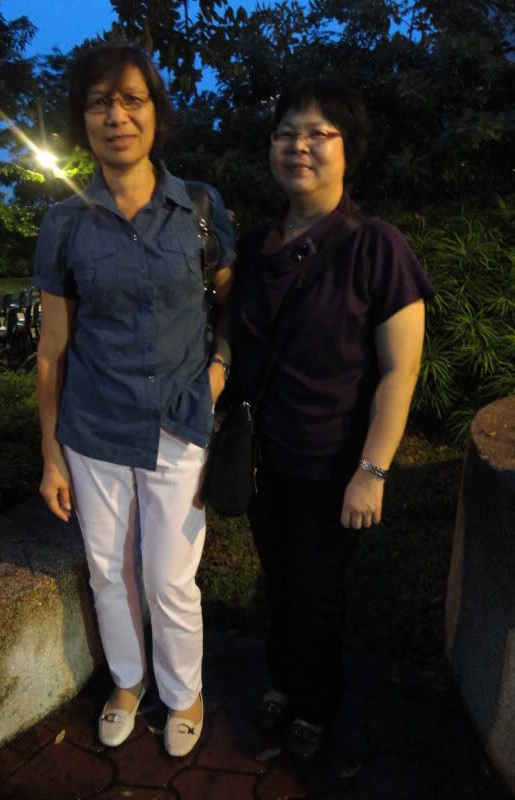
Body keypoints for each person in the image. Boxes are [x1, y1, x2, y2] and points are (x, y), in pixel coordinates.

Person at [34, 42, 235, 758]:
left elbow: (234, 306)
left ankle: (185, 692)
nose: (116, 116)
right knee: (108, 570)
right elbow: (52, 348)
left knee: (169, 577)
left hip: (179, 419)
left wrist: (219, 371)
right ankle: (127, 681)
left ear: (156, 113)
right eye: (99, 103)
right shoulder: (65, 222)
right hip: (93, 425)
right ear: (82, 120)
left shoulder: (200, 208)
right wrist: (50, 455)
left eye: (131, 100)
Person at [230, 78, 434, 759]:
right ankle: (284, 679)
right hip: (263, 457)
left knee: (318, 593)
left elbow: (400, 371)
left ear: (349, 149)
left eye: (319, 133)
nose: (299, 146)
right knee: (279, 582)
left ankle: (316, 701)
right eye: (286, 134)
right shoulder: (255, 246)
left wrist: (372, 471)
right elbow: (230, 338)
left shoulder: (377, 246)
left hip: (331, 461)